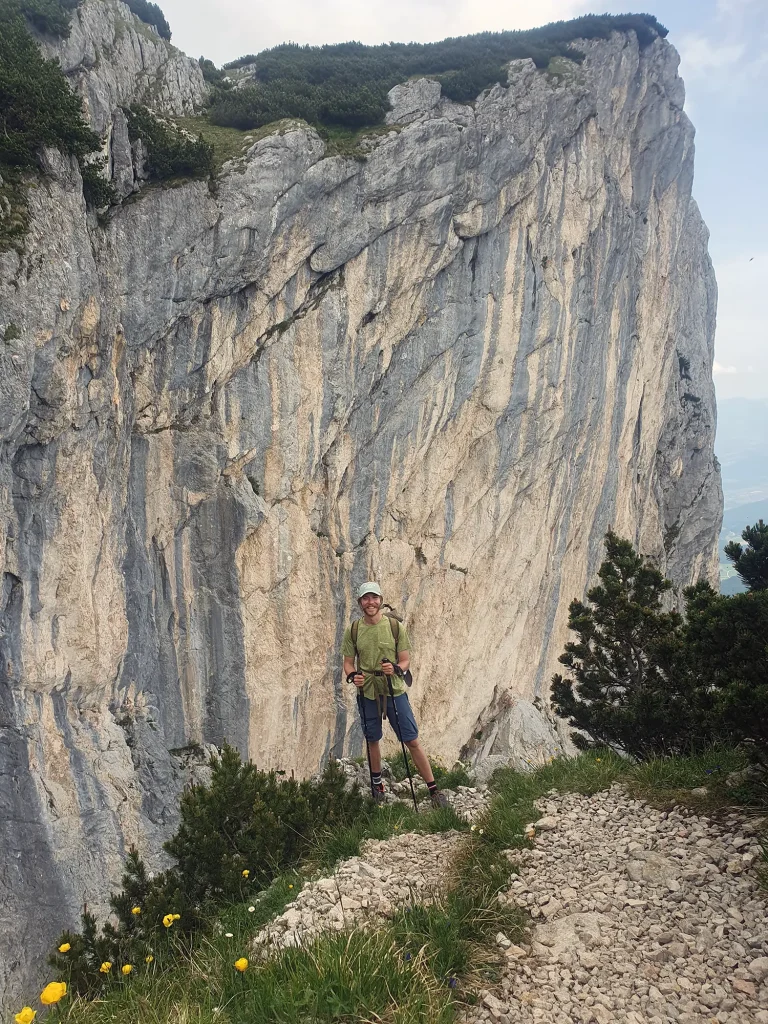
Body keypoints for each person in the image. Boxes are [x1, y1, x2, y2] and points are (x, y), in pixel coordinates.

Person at [341, 581, 448, 808]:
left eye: (374, 598)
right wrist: (353, 677)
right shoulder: (353, 630)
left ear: (381, 600)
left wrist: (395, 668)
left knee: (411, 739)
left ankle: (434, 790)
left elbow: (405, 659)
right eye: (366, 598)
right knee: (373, 739)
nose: (370, 602)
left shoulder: (395, 627)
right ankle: (377, 786)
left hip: (394, 688)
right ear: (360, 602)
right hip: (367, 689)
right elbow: (348, 664)